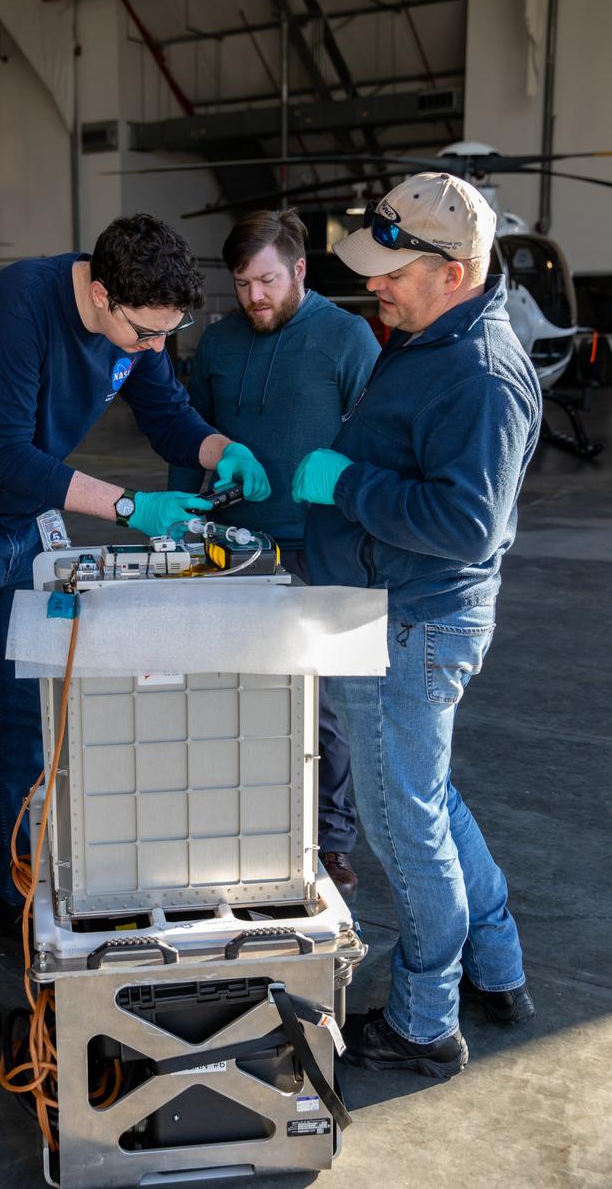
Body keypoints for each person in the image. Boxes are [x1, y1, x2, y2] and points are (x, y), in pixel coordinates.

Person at [0, 213, 272, 1044]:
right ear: (99, 292)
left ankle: (16, 897)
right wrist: (130, 505)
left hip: (21, 533)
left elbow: (163, 413)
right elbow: (3, 455)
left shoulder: (135, 326)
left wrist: (216, 447)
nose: (156, 346)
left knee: (27, 728)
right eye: (145, 331)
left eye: (172, 331)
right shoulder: (17, 308)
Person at [292, 172, 541, 1077]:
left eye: (394, 271)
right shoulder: (435, 334)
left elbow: (466, 524)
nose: (376, 286)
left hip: (412, 622)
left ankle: (423, 1021)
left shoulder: (479, 374)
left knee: (404, 828)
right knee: (425, 801)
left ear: (456, 270)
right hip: (388, 608)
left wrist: (344, 486)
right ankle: (497, 962)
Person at [169, 208, 380, 901]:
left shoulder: (346, 338)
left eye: (265, 280)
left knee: (319, 700)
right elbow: (186, 432)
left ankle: (332, 837)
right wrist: (182, 516)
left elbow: (377, 444)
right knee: (233, 688)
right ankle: (248, 818)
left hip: (321, 548)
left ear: (297, 269)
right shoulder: (221, 341)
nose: (253, 297)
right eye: (241, 284)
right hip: (234, 544)